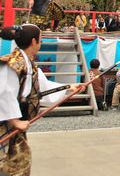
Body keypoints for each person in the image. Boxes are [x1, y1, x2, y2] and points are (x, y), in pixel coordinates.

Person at [0, 25, 80, 175]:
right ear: (33, 41)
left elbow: (41, 88)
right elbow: (5, 93)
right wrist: (14, 121)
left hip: (16, 124)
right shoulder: (12, 63)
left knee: (17, 163)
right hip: (5, 124)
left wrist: (69, 88)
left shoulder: (29, 64)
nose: (41, 43)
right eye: (40, 39)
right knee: (11, 164)